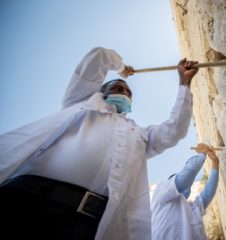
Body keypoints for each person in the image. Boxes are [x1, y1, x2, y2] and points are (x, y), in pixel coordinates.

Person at [0, 47, 199, 240]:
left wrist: (184, 84)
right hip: (30, 197)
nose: (123, 91)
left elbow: (174, 130)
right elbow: (99, 56)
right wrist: (122, 68)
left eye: (128, 92)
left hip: (84, 223)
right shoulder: (81, 102)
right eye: (116, 87)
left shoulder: (140, 135)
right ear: (102, 92)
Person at [151, 143, 220, 240]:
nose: (188, 189)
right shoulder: (160, 194)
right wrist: (202, 154)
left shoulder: (189, 209)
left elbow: (207, 194)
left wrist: (215, 163)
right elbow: (185, 177)